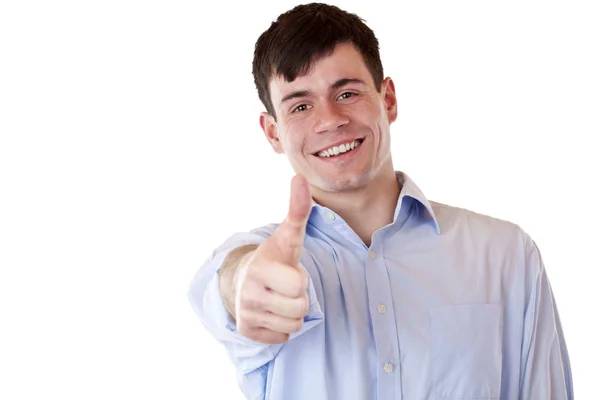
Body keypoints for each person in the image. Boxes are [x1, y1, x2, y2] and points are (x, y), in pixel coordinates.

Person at [188, 3, 573, 399]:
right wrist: (248, 283)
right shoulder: (270, 260)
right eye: (301, 106)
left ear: (388, 99)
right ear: (273, 133)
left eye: (347, 93)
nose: (330, 119)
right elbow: (233, 282)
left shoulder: (505, 254)